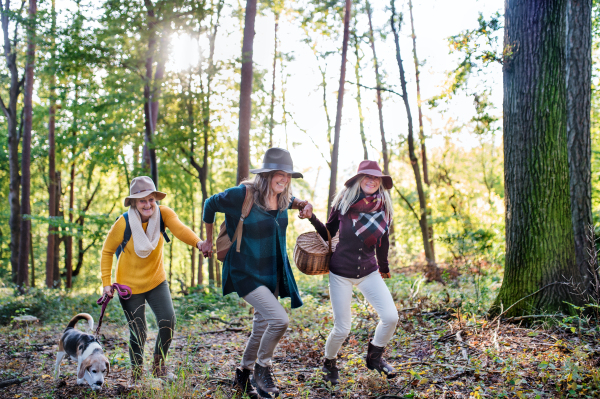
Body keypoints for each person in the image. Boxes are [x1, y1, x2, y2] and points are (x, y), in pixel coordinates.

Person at [200, 148, 313, 397]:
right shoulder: (243, 194)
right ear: (267, 174)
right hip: (245, 270)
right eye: (279, 174)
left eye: (288, 175)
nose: (284, 179)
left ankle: (243, 374)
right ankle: (263, 368)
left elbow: (297, 203)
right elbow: (210, 204)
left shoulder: (283, 198)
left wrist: (306, 204)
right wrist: (207, 241)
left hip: (271, 270)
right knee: (279, 320)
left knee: (261, 326)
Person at [301, 160, 399, 385]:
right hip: (341, 272)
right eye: (367, 176)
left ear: (380, 183)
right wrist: (311, 218)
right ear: (358, 180)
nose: (372, 181)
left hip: (368, 271)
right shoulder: (344, 204)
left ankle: (374, 358)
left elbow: (383, 242)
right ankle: (329, 362)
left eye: (376, 178)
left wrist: (383, 268)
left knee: (391, 317)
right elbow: (328, 231)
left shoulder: (384, 207)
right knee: (343, 328)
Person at [100, 176, 203, 383]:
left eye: (151, 199)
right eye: (142, 200)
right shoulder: (124, 223)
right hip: (129, 286)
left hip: (156, 281)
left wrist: (199, 243)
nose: (148, 204)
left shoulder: (164, 214)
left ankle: (159, 367)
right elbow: (107, 251)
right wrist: (106, 283)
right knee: (138, 331)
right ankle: (136, 378)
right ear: (133, 203)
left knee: (168, 320)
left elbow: (180, 229)